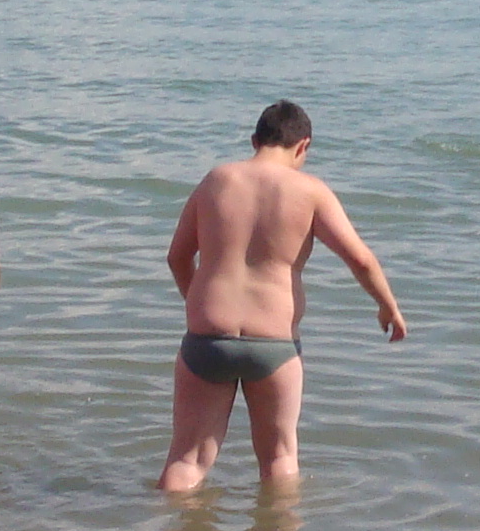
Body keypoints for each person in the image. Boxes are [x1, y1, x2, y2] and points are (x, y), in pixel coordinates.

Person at [161, 99, 406, 492]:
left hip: (207, 339)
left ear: (254, 140)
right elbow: (360, 259)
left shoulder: (216, 180)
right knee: (279, 458)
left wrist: (200, 307)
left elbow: (177, 257)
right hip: (273, 345)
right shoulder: (310, 191)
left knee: (186, 461)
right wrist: (387, 306)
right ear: (303, 146)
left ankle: (164, 529)